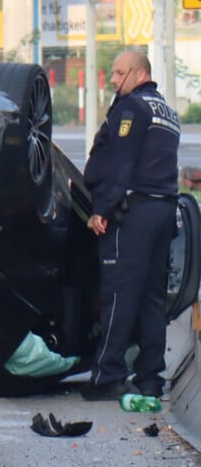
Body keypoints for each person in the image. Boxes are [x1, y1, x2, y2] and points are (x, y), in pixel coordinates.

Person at [81, 50, 180, 401]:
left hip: (133, 212)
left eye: (120, 72)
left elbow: (121, 162)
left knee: (119, 294)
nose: (113, 79)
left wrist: (102, 208)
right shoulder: (167, 112)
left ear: (140, 74)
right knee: (152, 299)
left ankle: (106, 376)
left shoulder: (131, 108)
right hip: (164, 210)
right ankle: (150, 379)